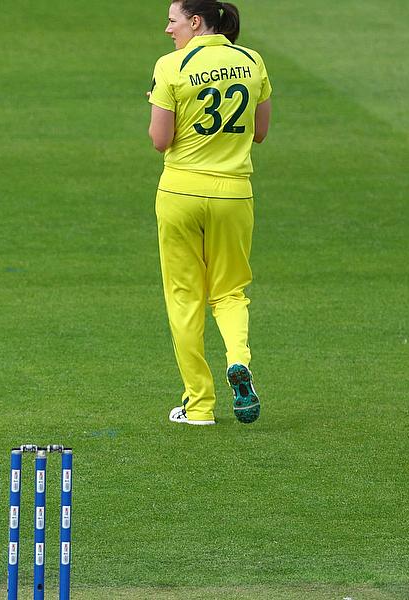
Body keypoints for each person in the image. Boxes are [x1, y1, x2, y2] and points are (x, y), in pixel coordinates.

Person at [147, 0, 272, 426]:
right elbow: (260, 132)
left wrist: (166, 106)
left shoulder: (170, 67)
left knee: (185, 299)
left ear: (196, 22)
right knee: (231, 293)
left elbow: (160, 140)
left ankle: (199, 406)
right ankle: (238, 361)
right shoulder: (252, 61)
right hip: (234, 195)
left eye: (173, 20)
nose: (168, 30)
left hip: (180, 192)